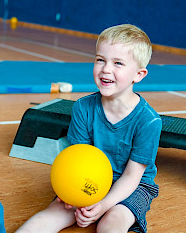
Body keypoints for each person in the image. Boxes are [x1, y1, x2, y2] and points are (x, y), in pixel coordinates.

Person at [16, 24, 162, 233]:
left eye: (118, 63)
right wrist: (70, 191)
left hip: (132, 186)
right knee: (56, 213)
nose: (106, 69)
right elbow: (78, 159)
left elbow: (131, 176)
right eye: (100, 59)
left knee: (110, 224)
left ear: (138, 75)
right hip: (90, 177)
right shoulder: (83, 107)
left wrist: (101, 206)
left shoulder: (148, 121)